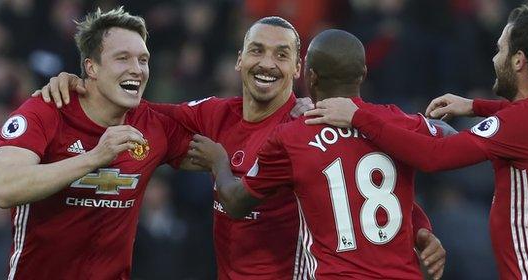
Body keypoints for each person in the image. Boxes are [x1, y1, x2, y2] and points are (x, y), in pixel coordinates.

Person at [35, 17, 446, 279]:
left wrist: (419, 223)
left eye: (282, 55)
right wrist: (80, 85)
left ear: (299, 69)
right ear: (238, 59)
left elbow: (367, 175)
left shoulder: (309, 124)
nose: (267, 63)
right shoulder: (214, 116)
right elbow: (139, 108)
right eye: (257, 50)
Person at [305, 5, 528, 279]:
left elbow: (434, 156)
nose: (494, 59)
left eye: (500, 49)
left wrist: (359, 117)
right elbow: (523, 118)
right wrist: (474, 105)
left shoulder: (525, 122)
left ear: (518, 60)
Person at [187, 29, 453, 280]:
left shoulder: (294, 137)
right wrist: (421, 229)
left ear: (310, 76)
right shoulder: (393, 122)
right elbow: (451, 138)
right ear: (363, 74)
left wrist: (219, 161)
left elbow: (235, 204)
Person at [0, 7, 195, 279]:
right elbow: (4, 187)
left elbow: (225, 142)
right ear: (91, 67)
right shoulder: (46, 110)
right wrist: (95, 157)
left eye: (143, 60)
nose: (137, 69)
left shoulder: (154, 125)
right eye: (123, 58)